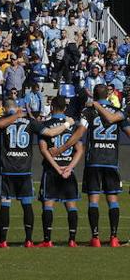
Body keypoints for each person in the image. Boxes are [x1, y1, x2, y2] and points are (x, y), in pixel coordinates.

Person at [50, 84, 130, 248]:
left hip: (94, 160)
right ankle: (114, 238)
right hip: (111, 161)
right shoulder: (116, 111)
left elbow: (78, 134)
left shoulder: (89, 112)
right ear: (108, 95)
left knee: (93, 199)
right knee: (112, 199)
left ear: (93, 95)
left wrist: (61, 149)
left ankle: (95, 238)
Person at [0, 100, 73, 248]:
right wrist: (67, 124)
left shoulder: (2, 121)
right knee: (27, 205)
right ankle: (29, 240)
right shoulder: (30, 122)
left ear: (7, 109)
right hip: (24, 170)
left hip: (7, 169)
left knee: (5, 205)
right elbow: (51, 132)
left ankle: (3, 241)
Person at [36, 96, 84, 247]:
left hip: (52, 170)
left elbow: (44, 151)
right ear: (65, 108)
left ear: (51, 108)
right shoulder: (73, 125)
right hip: (68, 171)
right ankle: (72, 240)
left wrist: (57, 168)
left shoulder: (45, 125)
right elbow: (79, 150)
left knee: (48, 205)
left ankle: (47, 240)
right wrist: (69, 168)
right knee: (71, 205)